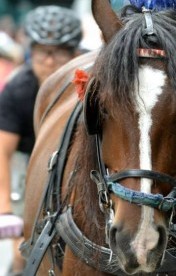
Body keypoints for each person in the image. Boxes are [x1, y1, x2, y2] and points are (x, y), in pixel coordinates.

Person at [0, 5, 82, 274]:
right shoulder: (18, 90)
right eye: (42, 51)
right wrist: (6, 211)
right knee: (27, 251)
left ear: (74, 54)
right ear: (30, 50)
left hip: (76, 158)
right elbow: (2, 152)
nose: (49, 61)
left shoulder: (87, 84)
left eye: (59, 52)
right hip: (28, 160)